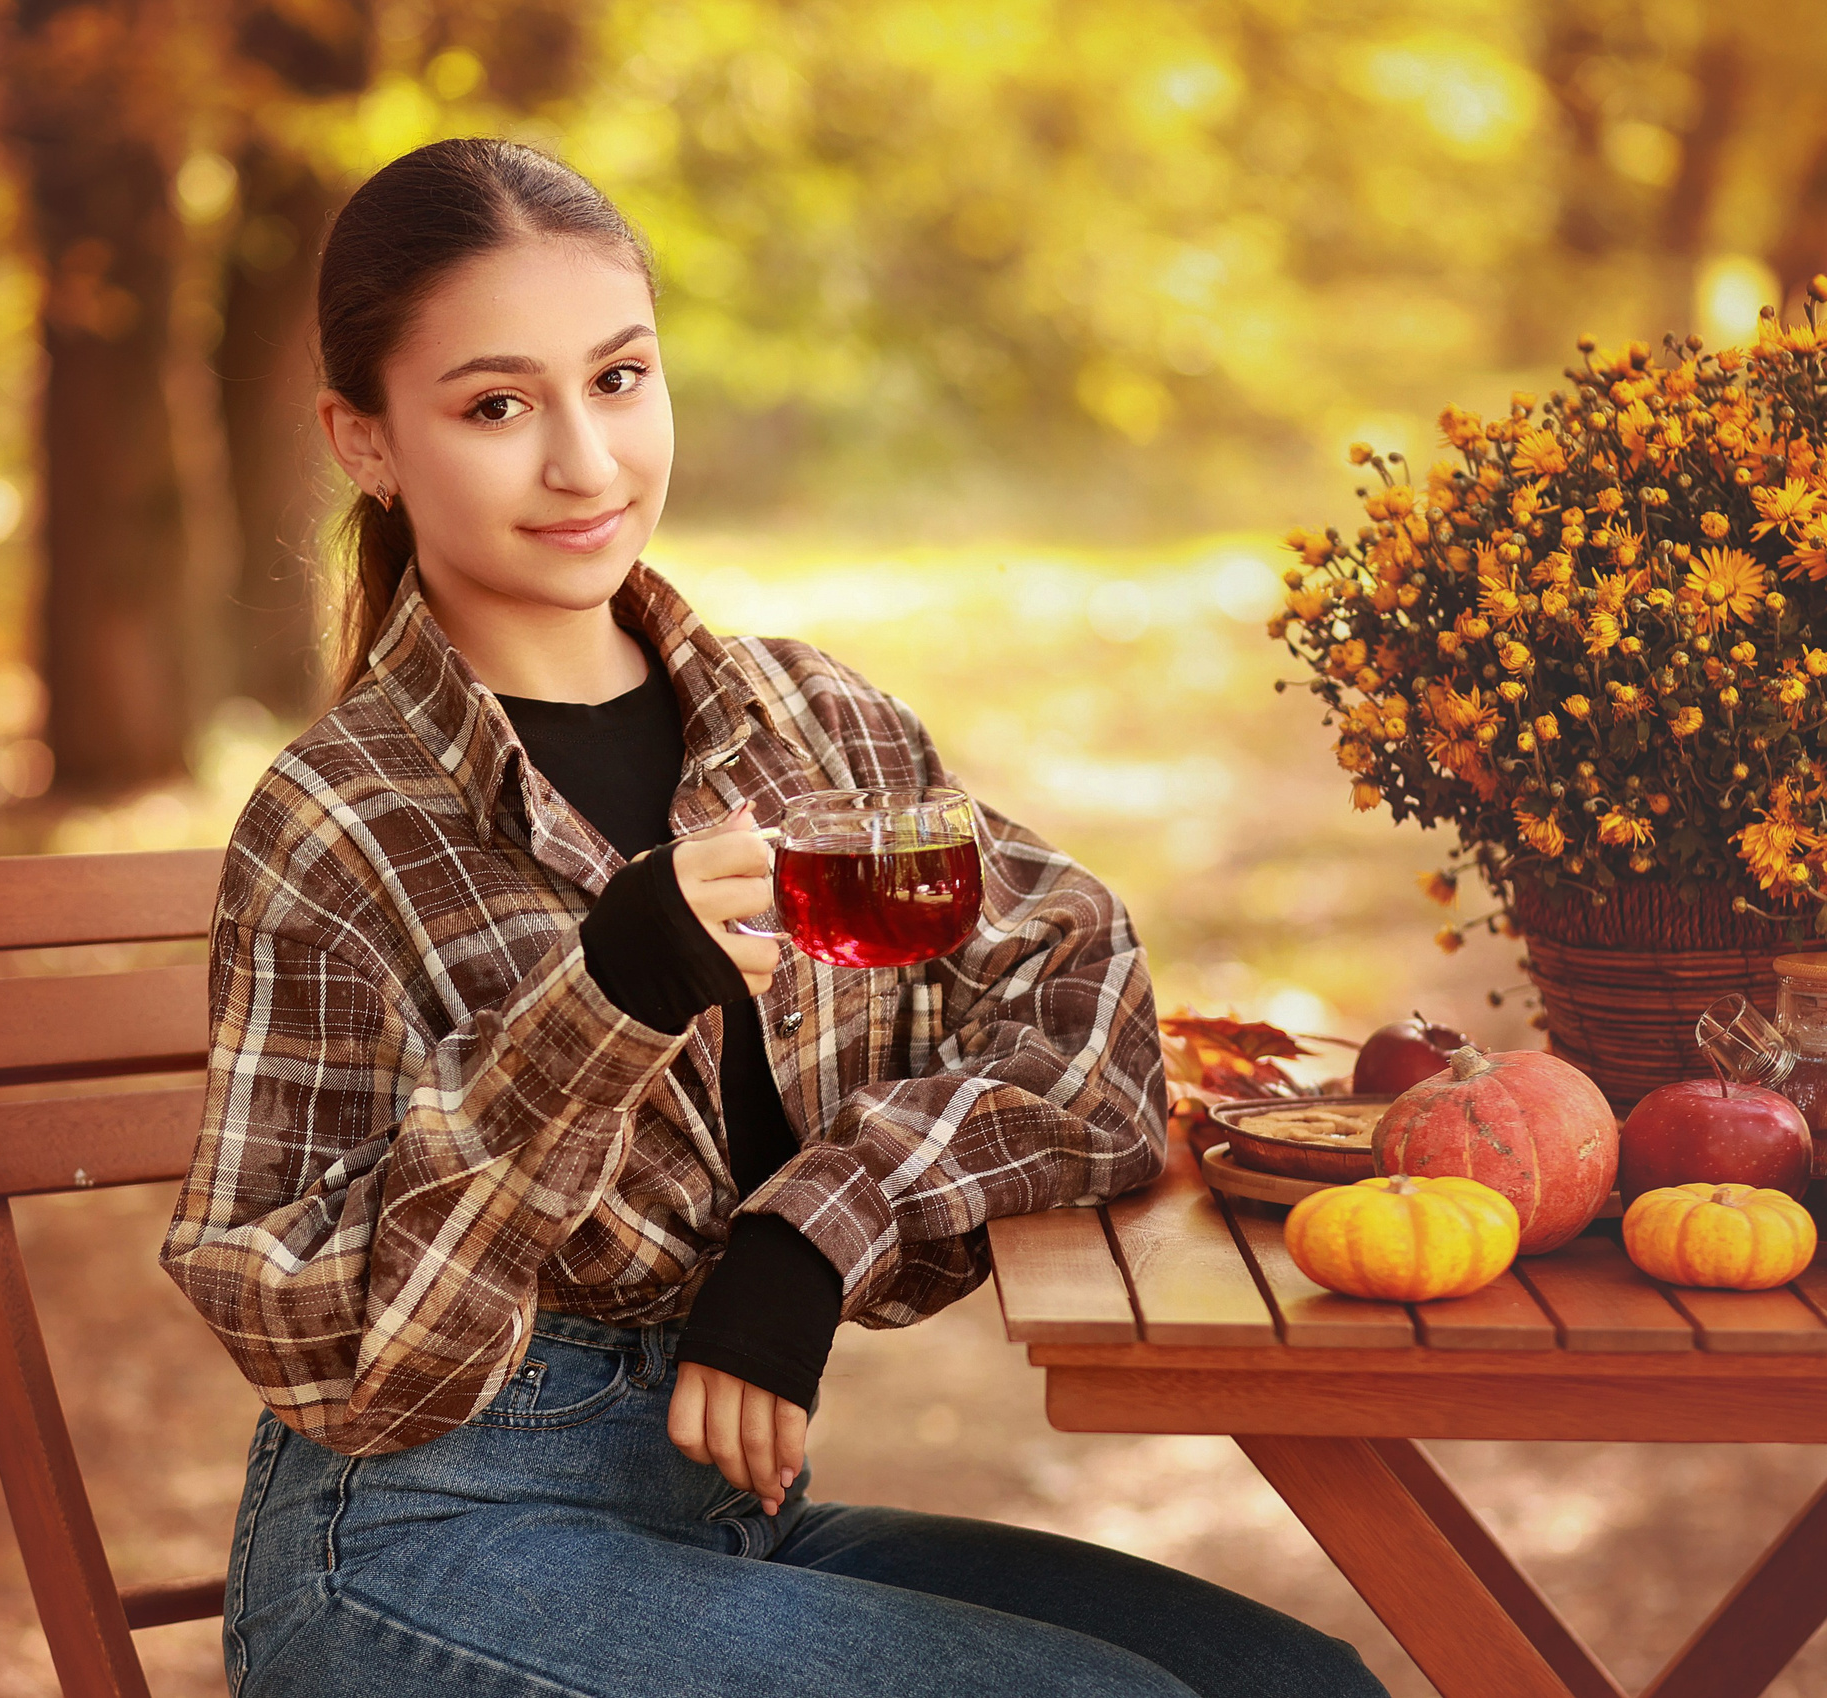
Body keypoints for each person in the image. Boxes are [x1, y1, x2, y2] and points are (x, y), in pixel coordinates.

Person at [160, 137, 1384, 1698]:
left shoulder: (810, 731)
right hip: (413, 1548)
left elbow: (1088, 1008)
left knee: (1300, 1686)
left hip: (713, 1524)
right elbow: (326, 1346)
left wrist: (815, 1229)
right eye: (496, 405)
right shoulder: (338, 819)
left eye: (618, 379)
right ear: (367, 440)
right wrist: (600, 1000)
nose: (585, 464)